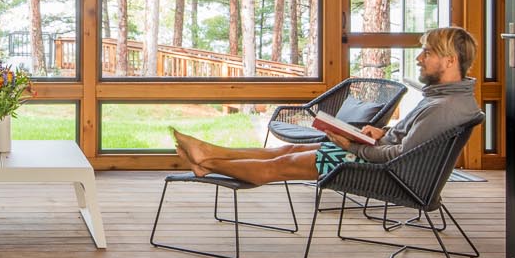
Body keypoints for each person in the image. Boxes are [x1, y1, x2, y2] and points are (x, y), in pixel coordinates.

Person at [171, 26, 483, 185]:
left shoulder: (444, 106)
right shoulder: (445, 98)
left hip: (383, 172)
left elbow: (400, 157)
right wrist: (380, 132)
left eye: (426, 53)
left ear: (449, 61)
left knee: (280, 166)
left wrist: (353, 145)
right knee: (288, 151)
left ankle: (206, 163)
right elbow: (408, 140)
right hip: (378, 159)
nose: (419, 58)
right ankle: (209, 153)